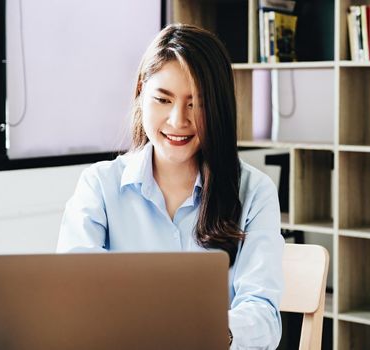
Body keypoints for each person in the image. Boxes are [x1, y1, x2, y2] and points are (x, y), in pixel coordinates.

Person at [57, 23, 284, 349]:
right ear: (141, 94)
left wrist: (209, 332)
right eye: (163, 99)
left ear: (219, 108)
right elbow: (73, 295)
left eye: (197, 103)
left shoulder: (253, 191)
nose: (179, 120)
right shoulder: (100, 186)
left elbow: (263, 314)